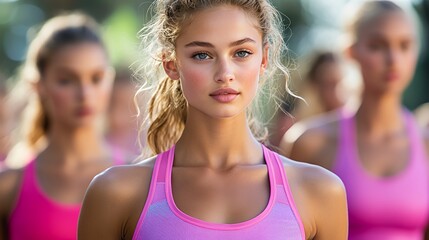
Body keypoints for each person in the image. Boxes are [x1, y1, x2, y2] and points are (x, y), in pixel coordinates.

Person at [78, 1, 348, 239]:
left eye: (241, 52)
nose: (225, 73)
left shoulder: (320, 191)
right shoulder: (116, 193)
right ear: (171, 64)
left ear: (264, 58)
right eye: (202, 55)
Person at [280, 1, 428, 239]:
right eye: (377, 45)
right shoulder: (311, 142)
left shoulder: (426, 145)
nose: (393, 59)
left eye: (404, 45)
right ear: (351, 51)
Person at [0, 12, 126, 239]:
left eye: (96, 78)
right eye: (66, 80)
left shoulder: (138, 177)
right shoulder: (8, 187)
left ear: (109, 79)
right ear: (38, 85)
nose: (85, 94)